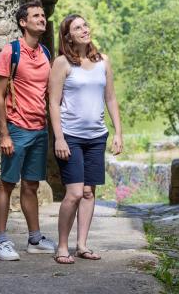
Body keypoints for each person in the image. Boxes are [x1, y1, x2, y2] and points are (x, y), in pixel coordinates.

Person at [48, 14, 123, 264]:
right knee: (74, 193)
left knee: (89, 193)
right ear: (68, 36)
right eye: (77, 27)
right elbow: (54, 103)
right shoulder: (62, 63)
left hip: (96, 136)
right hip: (70, 136)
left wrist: (118, 133)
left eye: (85, 25)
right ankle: (62, 246)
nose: (84, 29)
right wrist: (58, 138)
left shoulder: (103, 61)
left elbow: (110, 98)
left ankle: (81, 245)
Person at [0, 0, 56, 261]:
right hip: (16, 128)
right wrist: (4, 134)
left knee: (31, 184)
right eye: (36, 16)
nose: (42, 19)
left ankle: (34, 238)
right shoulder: (11, 52)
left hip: (39, 130)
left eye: (43, 15)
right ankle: (0, 242)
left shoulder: (46, 53)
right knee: (7, 183)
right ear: (23, 22)